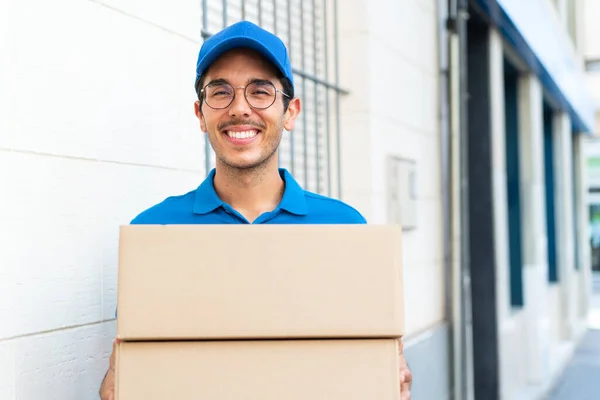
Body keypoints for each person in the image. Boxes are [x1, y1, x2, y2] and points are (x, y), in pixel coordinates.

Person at [99, 20, 413, 399]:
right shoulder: (152, 232)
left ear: (291, 112)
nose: (240, 109)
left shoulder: (345, 228)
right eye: (221, 92)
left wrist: (386, 381)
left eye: (260, 91)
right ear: (200, 114)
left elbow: (365, 361)